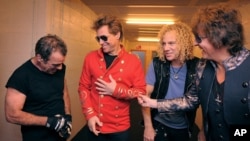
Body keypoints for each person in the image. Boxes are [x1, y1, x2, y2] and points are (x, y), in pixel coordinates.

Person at [138, 3, 250, 141]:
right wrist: (153, 103)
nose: (196, 44)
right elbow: (190, 101)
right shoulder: (202, 66)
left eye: (199, 38)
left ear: (218, 37)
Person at [78, 15, 146, 141]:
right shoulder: (90, 58)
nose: (100, 42)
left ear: (117, 35)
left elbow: (141, 91)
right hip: (96, 124)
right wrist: (90, 115)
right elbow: (83, 87)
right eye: (98, 38)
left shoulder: (133, 61)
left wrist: (116, 90)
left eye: (104, 38)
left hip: (120, 128)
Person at [5, 34, 72, 141]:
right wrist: (49, 122)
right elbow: (11, 115)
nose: (60, 68)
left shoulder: (59, 67)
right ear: (40, 58)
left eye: (61, 64)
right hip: (37, 137)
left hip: (58, 135)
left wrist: (68, 116)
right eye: (55, 65)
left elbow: (63, 90)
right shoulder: (21, 76)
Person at [140, 22, 199, 141]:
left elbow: (204, 101)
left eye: (171, 43)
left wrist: (203, 130)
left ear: (184, 43)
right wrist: (148, 126)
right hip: (159, 123)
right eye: (164, 44)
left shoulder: (198, 66)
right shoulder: (157, 64)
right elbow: (145, 96)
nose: (166, 48)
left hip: (183, 126)